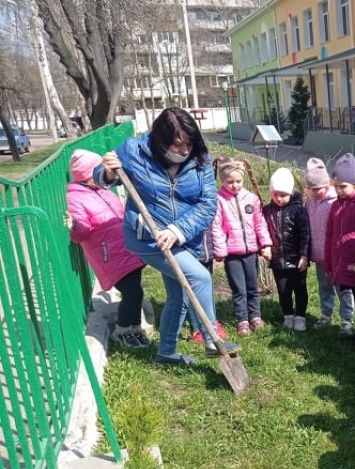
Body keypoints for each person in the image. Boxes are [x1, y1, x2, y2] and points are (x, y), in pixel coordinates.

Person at [96, 107, 239, 365]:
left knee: (179, 296)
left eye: (189, 143)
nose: (184, 150)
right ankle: (211, 339)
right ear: (160, 140)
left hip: (182, 237)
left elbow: (208, 204)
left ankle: (166, 352)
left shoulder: (200, 159)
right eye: (177, 144)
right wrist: (108, 172)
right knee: (200, 277)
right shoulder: (134, 151)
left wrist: (177, 231)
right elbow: (100, 176)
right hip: (147, 238)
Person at [65, 149, 148, 348]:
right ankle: (122, 330)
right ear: (88, 173)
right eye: (100, 169)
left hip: (127, 250)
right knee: (133, 293)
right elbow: (81, 232)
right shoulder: (75, 198)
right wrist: (74, 225)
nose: (105, 172)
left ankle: (134, 327)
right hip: (109, 255)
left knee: (137, 292)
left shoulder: (104, 190)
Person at [211, 158, 272, 336]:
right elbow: (216, 226)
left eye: (238, 181)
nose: (235, 185)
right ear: (222, 180)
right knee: (239, 289)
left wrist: (265, 244)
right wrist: (220, 250)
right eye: (230, 181)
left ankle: (255, 316)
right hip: (232, 253)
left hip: (250, 252)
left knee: (252, 286)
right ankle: (242, 320)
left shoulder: (251, 199)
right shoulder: (219, 200)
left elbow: (260, 223)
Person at [325, 153, 355, 344]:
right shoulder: (336, 206)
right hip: (343, 262)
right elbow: (330, 236)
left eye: (343, 186)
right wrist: (329, 263)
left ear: (354, 184)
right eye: (336, 186)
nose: (339, 190)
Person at [304, 157, 353, 330]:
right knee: (324, 286)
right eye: (311, 189)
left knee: (343, 288)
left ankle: (347, 319)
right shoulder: (309, 202)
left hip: (336, 255)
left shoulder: (334, 201)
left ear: (326, 185)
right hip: (319, 254)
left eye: (318, 188)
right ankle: (326, 314)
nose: (314, 192)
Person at [263, 168, 311, 331]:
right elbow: (263, 230)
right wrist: (265, 247)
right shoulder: (267, 210)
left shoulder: (298, 209)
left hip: (296, 259)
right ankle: (288, 315)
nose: (279, 198)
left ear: (290, 193)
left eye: (283, 195)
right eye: (275, 194)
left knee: (300, 289)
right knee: (283, 290)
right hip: (278, 260)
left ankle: (301, 316)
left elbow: (305, 234)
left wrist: (304, 255)